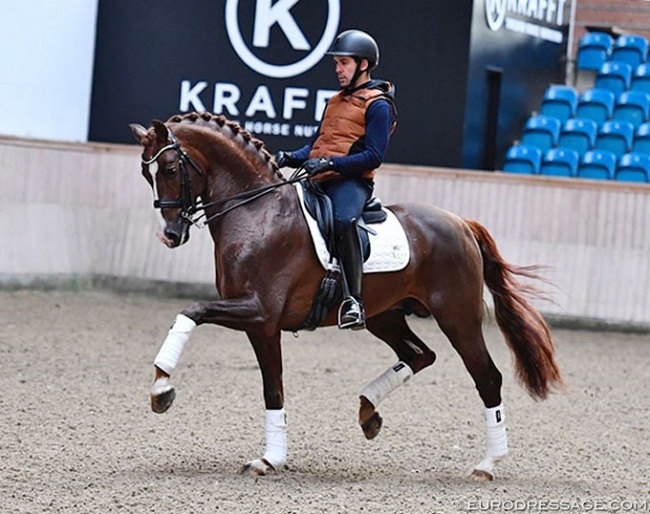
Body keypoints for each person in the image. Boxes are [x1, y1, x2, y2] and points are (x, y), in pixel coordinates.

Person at [275, 29, 397, 330]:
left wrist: (331, 163)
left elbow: (373, 156)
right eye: (337, 64)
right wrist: (290, 156)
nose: (338, 69)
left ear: (363, 64)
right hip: (320, 178)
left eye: (343, 63)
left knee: (343, 221)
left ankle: (354, 300)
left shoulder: (379, 105)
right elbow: (315, 145)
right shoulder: (334, 101)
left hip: (351, 182)